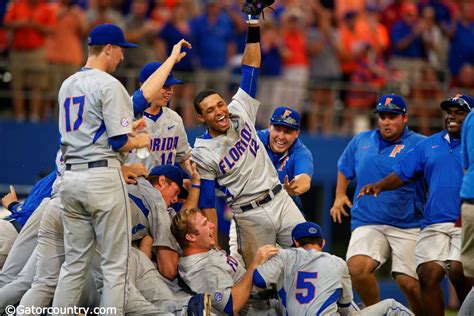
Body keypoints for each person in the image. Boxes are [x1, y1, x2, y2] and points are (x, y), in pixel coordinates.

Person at [190, 8, 305, 267]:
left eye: (220, 104)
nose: (219, 111)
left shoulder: (238, 110)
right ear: (201, 118)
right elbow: (208, 201)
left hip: (280, 199)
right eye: (210, 110)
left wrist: (253, 24)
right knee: (260, 280)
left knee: (309, 256)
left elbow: (251, 67)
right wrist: (213, 239)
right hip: (249, 215)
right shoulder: (201, 152)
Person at [53, 23, 150, 314]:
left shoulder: (67, 83)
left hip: (71, 178)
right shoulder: (110, 84)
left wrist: (126, 132)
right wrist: (139, 138)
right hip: (101, 178)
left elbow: (93, 131)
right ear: (108, 48)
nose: (122, 56)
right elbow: (120, 142)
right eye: (120, 49)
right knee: (115, 266)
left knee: (73, 265)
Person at [358, 94, 474, 315]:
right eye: (449, 112)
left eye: (459, 112)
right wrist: (380, 185)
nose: (452, 117)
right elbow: (402, 173)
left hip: (465, 219)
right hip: (434, 221)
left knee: (459, 271)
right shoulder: (428, 144)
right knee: (428, 275)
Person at [329, 93, 425, 315]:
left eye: (392, 116)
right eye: (382, 116)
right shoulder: (362, 140)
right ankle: (376, 312)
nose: (386, 121)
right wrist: (340, 194)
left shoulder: (420, 144)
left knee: (409, 284)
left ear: (405, 118)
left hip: (408, 223)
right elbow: (345, 167)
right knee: (356, 269)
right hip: (368, 220)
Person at [253, 221, 414, 315]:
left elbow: (258, 280)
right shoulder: (337, 262)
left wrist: (258, 261)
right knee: (392, 306)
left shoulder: (285, 256)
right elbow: (344, 307)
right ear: (322, 243)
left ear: (295, 242)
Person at [171, 208, 278, 315]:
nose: (211, 225)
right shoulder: (204, 271)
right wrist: (254, 265)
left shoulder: (202, 249)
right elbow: (230, 305)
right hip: (259, 310)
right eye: (204, 224)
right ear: (191, 237)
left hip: (267, 300)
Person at [126, 40, 193, 173]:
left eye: (171, 87)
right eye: (165, 86)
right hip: (133, 185)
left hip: (164, 187)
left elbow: (184, 156)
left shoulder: (174, 118)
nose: (170, 91)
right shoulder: (127, 113)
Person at [258, 106, 313, 210]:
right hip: (253, 209)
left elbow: (304, 179)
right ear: (270, 127)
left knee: (312, 227)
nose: (281, 136)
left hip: (285, 210)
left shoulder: (301, 152)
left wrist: (293, 188)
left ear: (297, 133)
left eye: (287, 132)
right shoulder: (255, 140)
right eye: (277, 129)